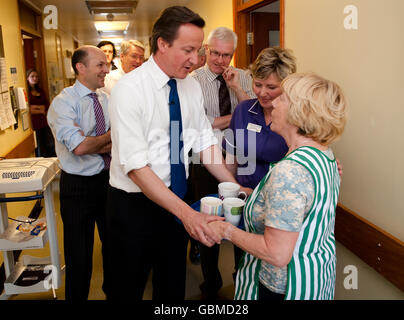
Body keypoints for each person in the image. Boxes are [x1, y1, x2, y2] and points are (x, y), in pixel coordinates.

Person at [106, 6, 250, 301]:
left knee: (172, 286)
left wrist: (233, 185)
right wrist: (188, 215)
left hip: (175, 199)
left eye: (198, 50)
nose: (195, 59)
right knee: (127, 288)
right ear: (162, 44)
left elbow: (204, 142)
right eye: (188, 50)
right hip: (134, 206)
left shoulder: (189, 87)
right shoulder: (129, 90)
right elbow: (136, 167)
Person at [210, 72, 348, 300]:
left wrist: (226, 230)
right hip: (315, 280)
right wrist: (248, 193)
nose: (273, 102)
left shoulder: (290, 172)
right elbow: (298, 207)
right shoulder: (324, 155)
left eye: (282, 98)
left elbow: (276, 253)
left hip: (283, 289)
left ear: (299, 112)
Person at [190, 26, 255, 300]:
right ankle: (211, 281)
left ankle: (241, 277)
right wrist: (235, 118)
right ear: (206, 49)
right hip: (203, 160)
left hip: (242, 159)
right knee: (209, 220)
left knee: (242, 220)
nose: (219, 60)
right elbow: (199, 124)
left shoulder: (244, 77)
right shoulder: (192, 81)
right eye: (215, 53)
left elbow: (255, 116)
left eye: (226, 55)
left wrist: (236, 89)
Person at [47, 45, 111, 300]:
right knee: (79, 256)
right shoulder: (63, 104)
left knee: (115, 249)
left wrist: (99, 141)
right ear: (80, 67)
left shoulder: (106, 98)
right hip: (77, 188)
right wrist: (109, 138)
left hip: (108, 182)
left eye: (106, 64)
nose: (106, 70)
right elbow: (80, 147)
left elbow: (115, 140)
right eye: (100, 65)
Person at [26, 68, 56, 158]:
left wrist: (35, 107)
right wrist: (40, 109)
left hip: (44, 123)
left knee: (49, 145)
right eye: (32, 76)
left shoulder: (41, 91)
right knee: (39, 147)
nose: (35, 78)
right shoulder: (27, 93)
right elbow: (28, 109)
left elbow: (46, 106)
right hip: (34, 125)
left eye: (36, 76)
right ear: (27, 78)